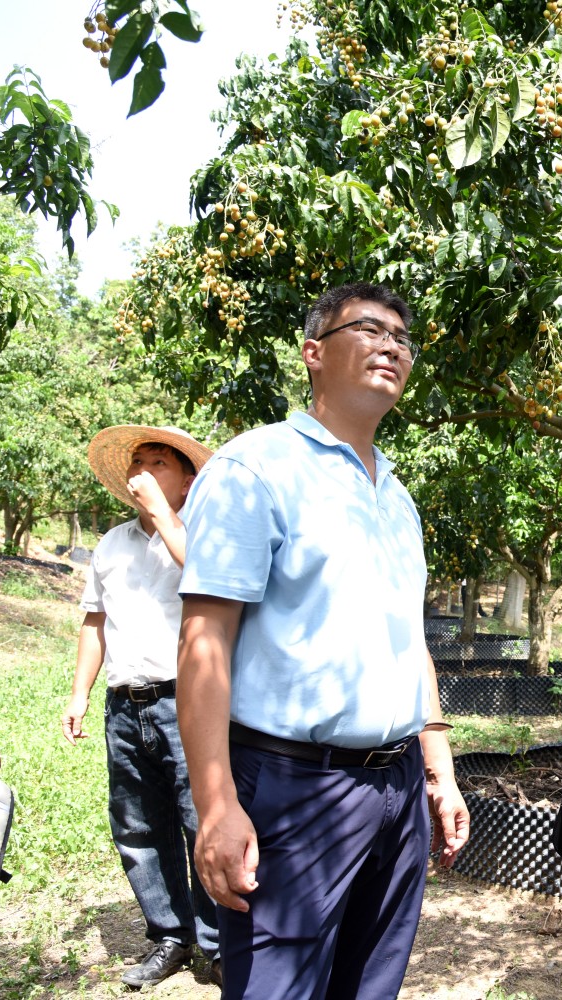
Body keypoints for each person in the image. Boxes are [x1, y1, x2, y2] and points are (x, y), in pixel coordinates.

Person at [175, 282, 470, 1000]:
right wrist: (216, 804)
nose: (392, 345)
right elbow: (205, 638)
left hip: (395, 788)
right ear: (313, 353)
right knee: (277, 988)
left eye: (403, 337)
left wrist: (439, 766)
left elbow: (409, 641)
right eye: (369, 329)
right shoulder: (256, 469)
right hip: (293, 785)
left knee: (371, 983)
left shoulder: (396, 498)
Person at [62, 425, 220, 988]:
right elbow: (94, 622)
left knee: (202, 820)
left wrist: (165, 517)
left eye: (160, 464)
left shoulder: (203, 535)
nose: (144, 475)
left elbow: (206, 575)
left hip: (188, 703)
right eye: (139, 465)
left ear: (187, 480)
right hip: (125, 706)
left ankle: (216, 944)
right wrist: (81, 691)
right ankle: (169, 936)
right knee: (138, 825)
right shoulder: (111, 544)